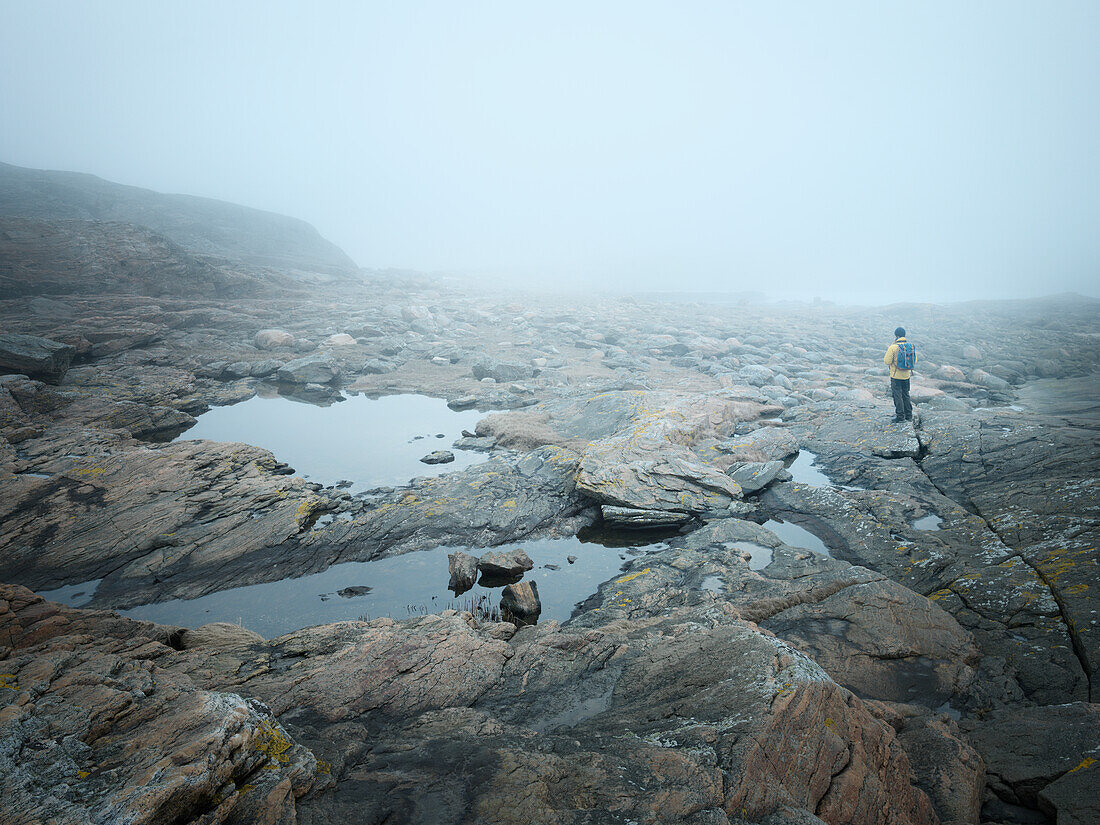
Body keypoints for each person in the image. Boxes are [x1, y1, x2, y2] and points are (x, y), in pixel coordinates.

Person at [884, 327, 916, 423]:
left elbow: (887, 361)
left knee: (897, 395)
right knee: (906, 395)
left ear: (896, 336)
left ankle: (900, 416)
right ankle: (909, 415)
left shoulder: (893, 347)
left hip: (896, 376)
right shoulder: (910, 346)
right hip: (906, 376)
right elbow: (915, 361)